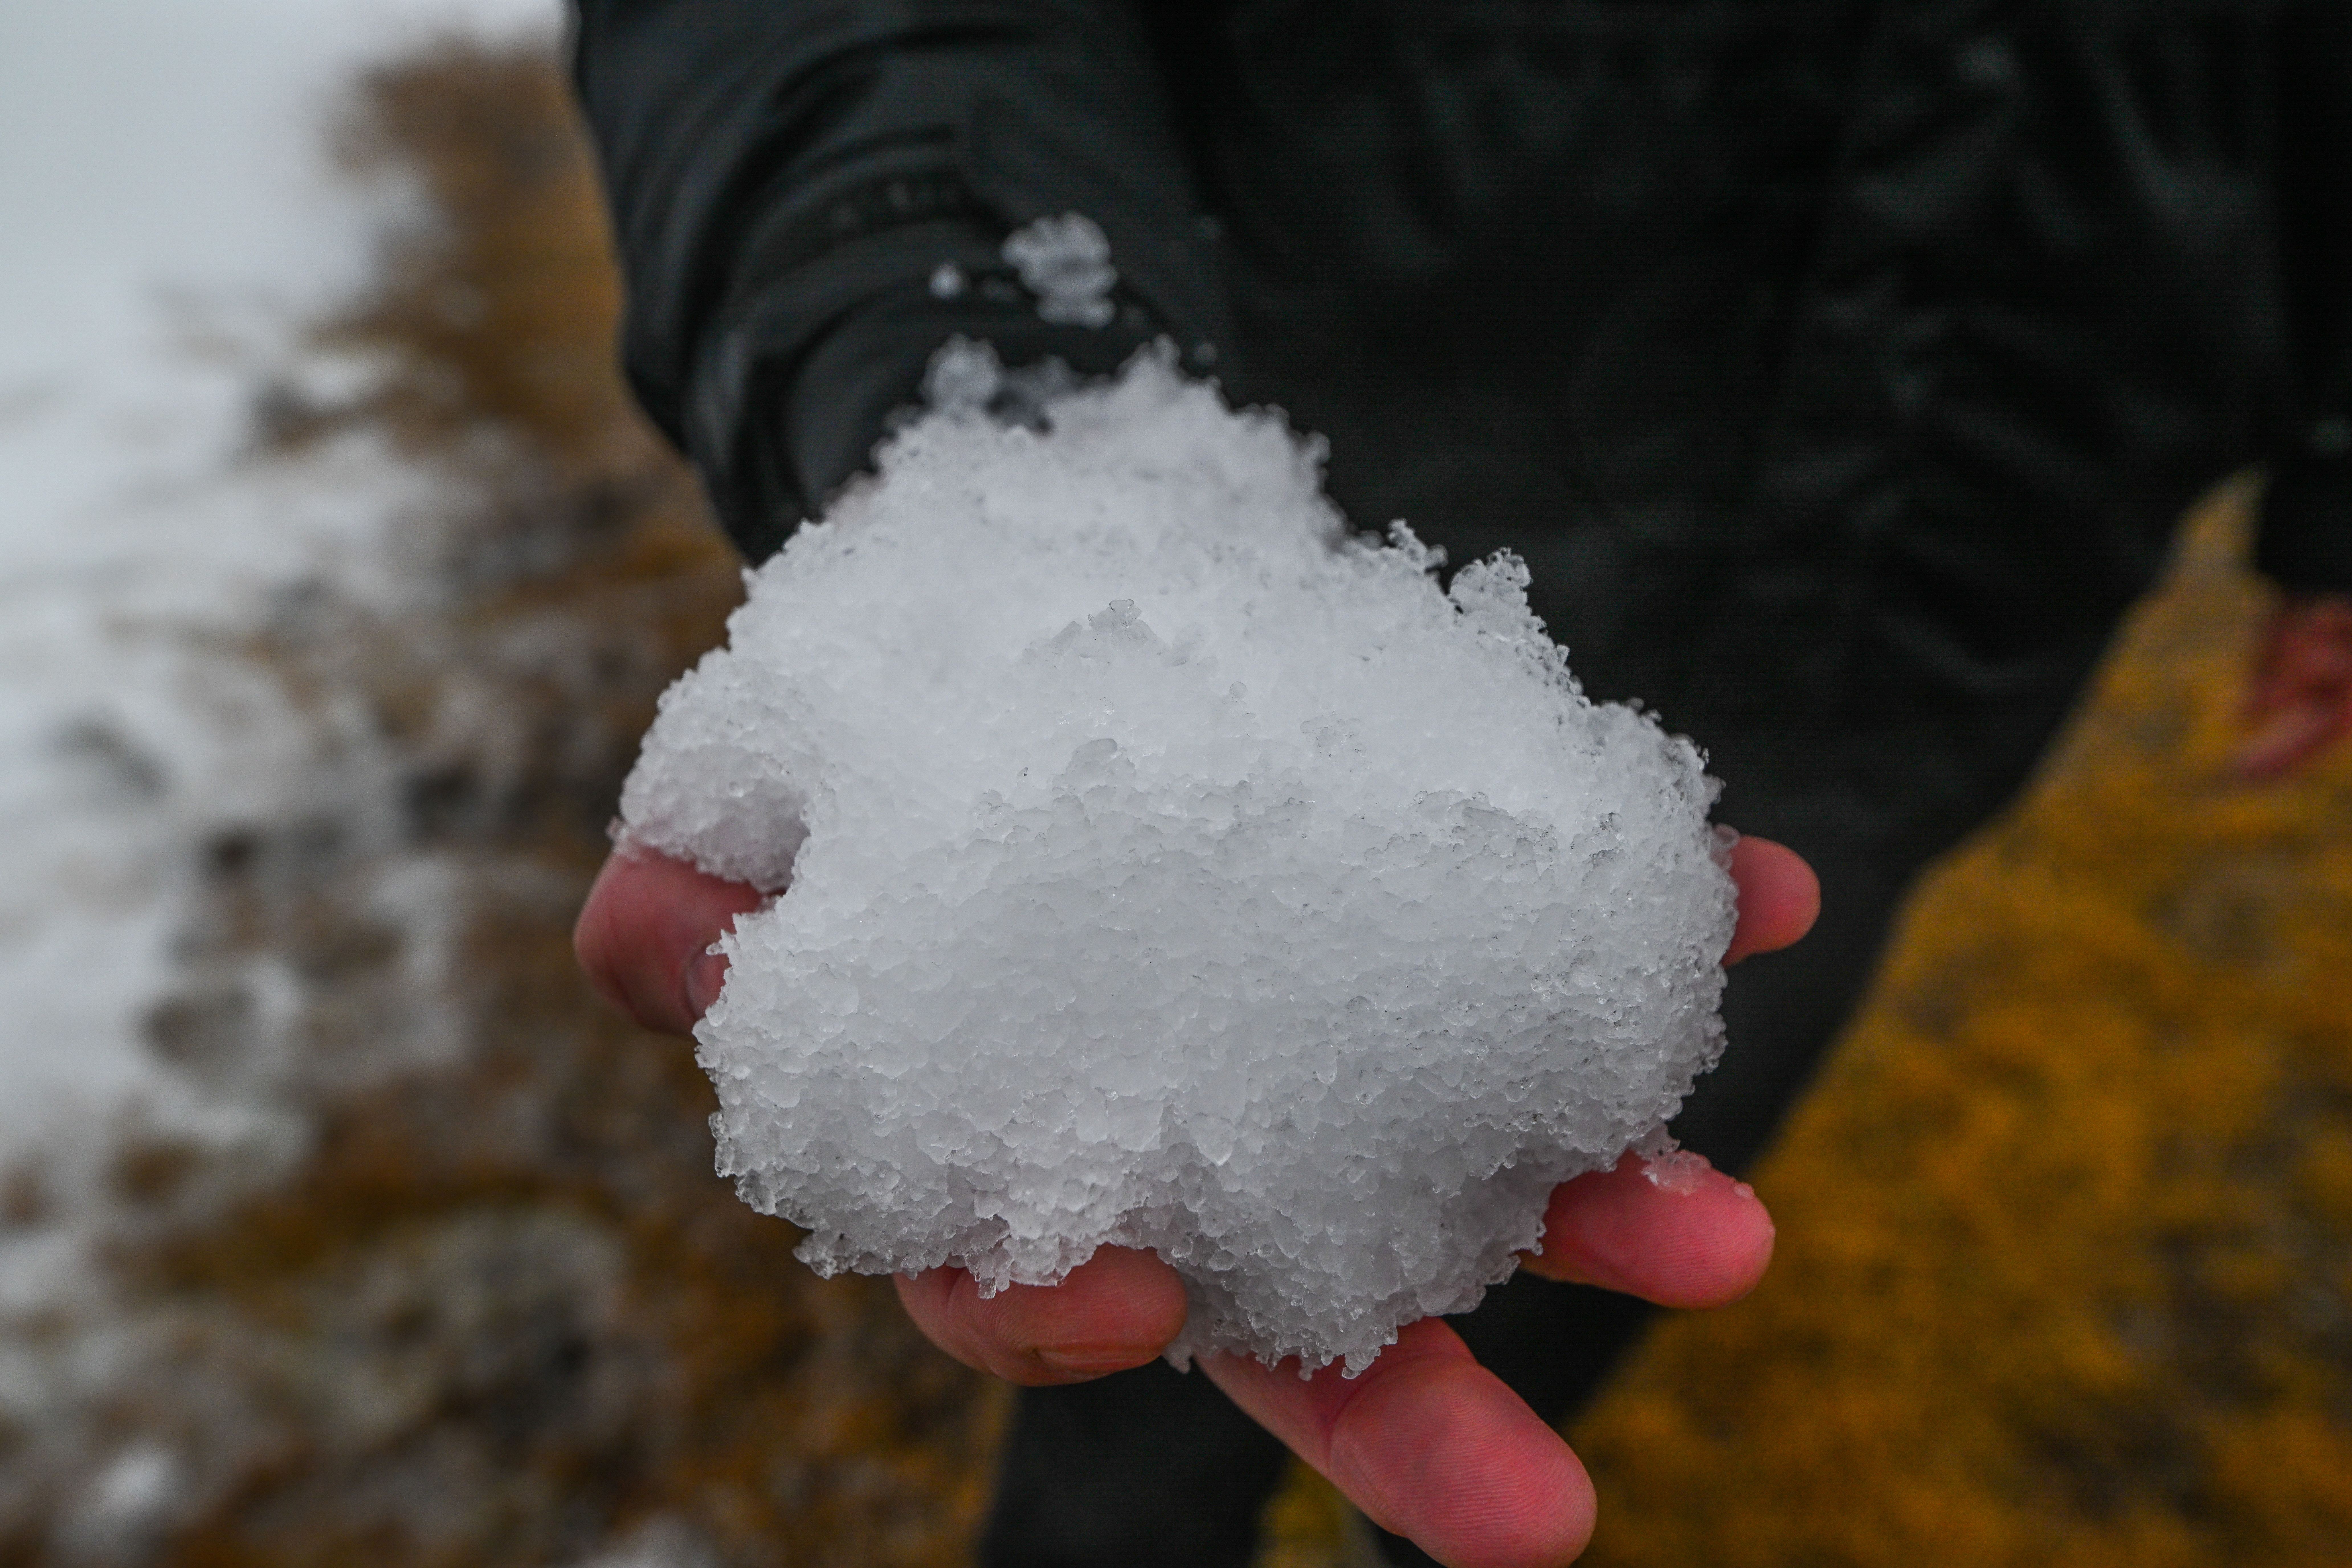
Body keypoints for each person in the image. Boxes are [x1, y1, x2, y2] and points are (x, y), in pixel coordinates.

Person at [565, 3, 2352, 1564]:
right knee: (1147, 1326)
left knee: (1587, 1211)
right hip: (1333, 481)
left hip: (1946, 579)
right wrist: (982, 398)